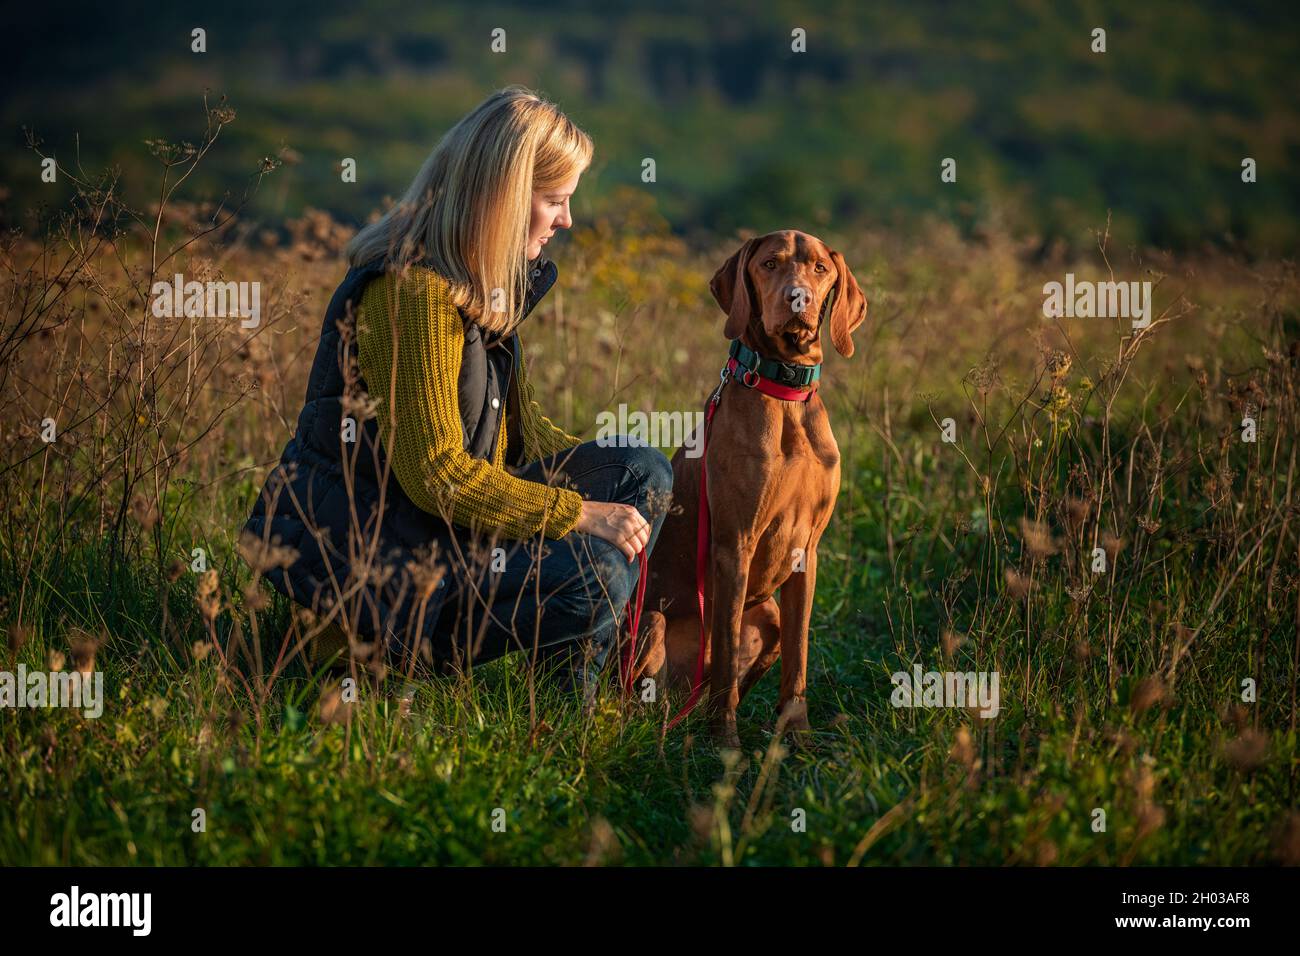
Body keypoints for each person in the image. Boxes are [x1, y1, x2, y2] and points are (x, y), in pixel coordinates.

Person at [242, 86, 673, 704]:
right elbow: (439, 476)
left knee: (643, 472)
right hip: (389, 576)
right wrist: (579, 513)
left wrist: (632, 477)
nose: (567, 222)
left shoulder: (475, 288)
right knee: (595, 572)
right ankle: (558, 719)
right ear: (503, 196)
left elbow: (520, 442)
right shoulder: (411, 294)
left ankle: (573, 686)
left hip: (446, 540)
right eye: (555, 201)